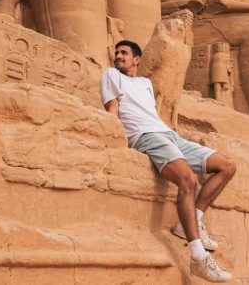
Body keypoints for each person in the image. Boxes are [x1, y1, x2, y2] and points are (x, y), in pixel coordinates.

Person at [100, 40, 236, 283]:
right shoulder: (111, 75)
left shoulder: (145, 83)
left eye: (124, 53)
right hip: (144, 135)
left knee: (227, 166)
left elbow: (152, 114)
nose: (118, 56)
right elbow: (112, 109)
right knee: (188, 179)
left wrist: (173, 133)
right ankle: (198, 256)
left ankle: (193, 220)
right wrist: (115, 140)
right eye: (117, 53)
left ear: (137, 59)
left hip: (168, 135)